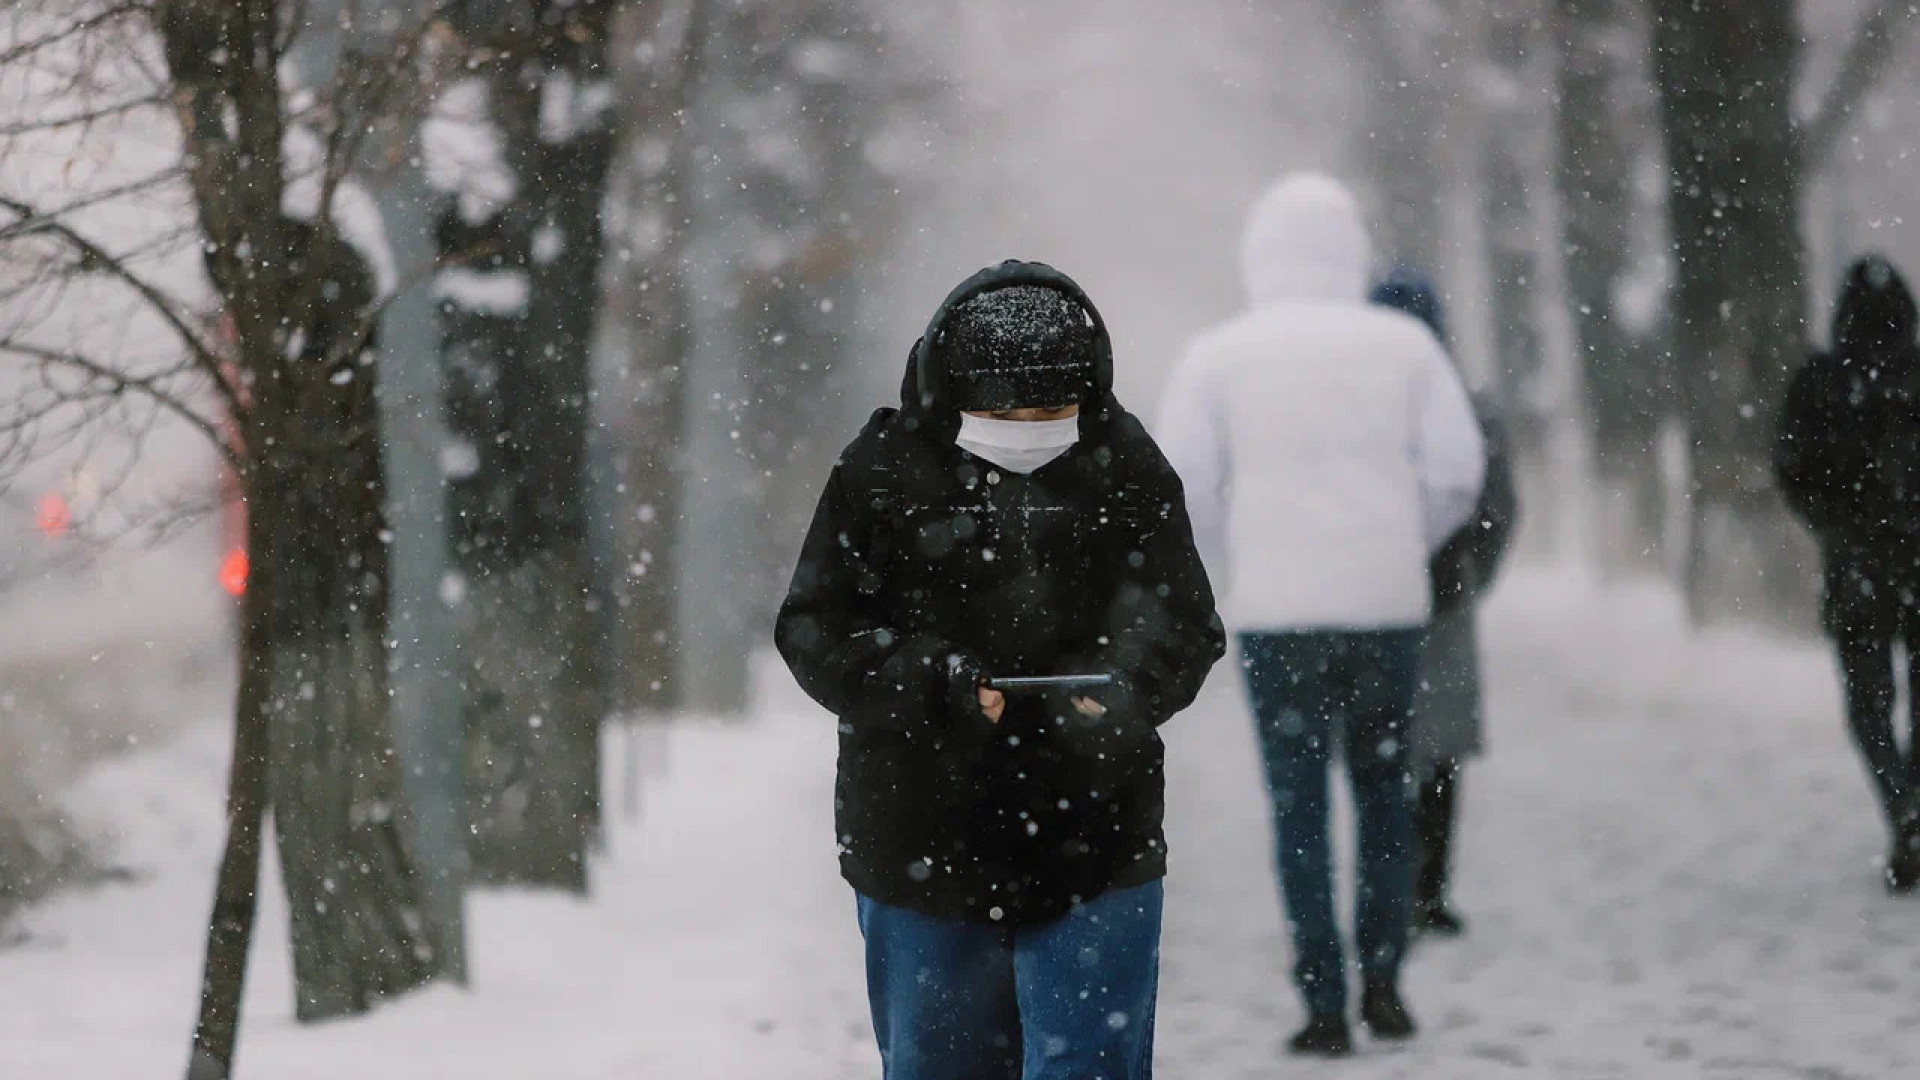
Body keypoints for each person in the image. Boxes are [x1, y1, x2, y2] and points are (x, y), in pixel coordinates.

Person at [776, 260, 1226, 1080]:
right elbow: (815, 628)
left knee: (1091, 1064)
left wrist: (1124, 683)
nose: (1027, 426)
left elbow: (1188, 625)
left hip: (1097, 834)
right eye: (1004, 411)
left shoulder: (1126, 466)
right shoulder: (878, 470)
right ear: (953, 393)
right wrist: (928, 682)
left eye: (1052, 409)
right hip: (920, 833)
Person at [1157, 175, 1485, 1057]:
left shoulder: (1218, 355)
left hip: (1278, 613)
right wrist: (1394, 539)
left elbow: (1182, 481)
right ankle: (1384, 977)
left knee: (1296, 808)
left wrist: (1247, 548)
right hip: (1383, 608)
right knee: (1384, 795)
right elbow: (1458, 471)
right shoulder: (1406, 347)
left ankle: (1323, 1002)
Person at [1370, 267, 1520, 937]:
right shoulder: (1465, 402)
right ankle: (1428, 889)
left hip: (1376, 598)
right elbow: (1497, 508)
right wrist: (1468, 574)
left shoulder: (1358, 404)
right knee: (1439, 750)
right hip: (1442, 595)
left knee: (1386, 750)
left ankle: (1398, 885)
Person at [1776, 254, 1920, 895]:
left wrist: (1835, 524)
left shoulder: (1821, 380)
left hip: (1855, 566)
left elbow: (1792, 468)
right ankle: (1911, 806)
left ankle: (1900, 807)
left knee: (1867, 706)